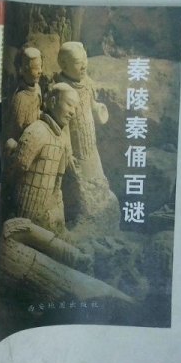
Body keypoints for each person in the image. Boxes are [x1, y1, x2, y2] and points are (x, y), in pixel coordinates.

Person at [56, 41, 118, 226]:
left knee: (98, 179)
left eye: (85, 59)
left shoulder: (86, 82)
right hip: (76, 148)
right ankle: (87, 218)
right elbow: (62, 125)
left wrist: (98, 109)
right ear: (64, 64)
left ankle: (100, 214)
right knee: (81, 186)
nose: (83, 65)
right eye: (78, 62)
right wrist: (68, 152)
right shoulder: (62, 90)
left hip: (90, 143)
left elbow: (91, 104)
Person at [6, 83, 78, 235]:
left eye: (75, 108)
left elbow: (58, 184)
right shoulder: (37, 131)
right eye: (69, 105)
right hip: (24, 212)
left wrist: (57, 215)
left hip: (45, 215)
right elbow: (16, 169)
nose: (73, 112)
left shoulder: (62, 139)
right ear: (53, 102)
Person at [6, 46, 43, 142]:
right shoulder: (20, 98)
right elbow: (14, 132)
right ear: (24, 70)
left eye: (40, 67)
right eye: (36, 68)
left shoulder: (37, 88)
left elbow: (37, 110)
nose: (40, 71)